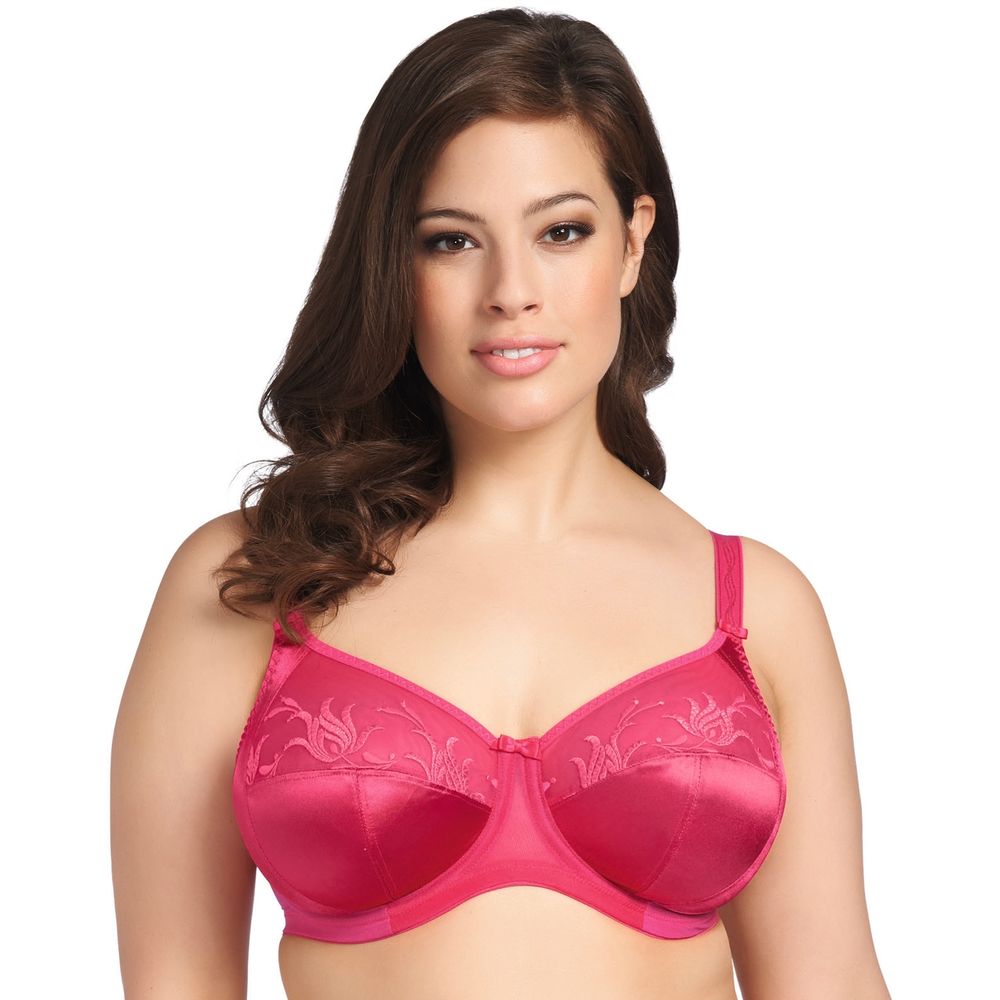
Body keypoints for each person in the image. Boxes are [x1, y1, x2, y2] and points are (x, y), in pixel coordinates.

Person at [111, 8, 891, 999]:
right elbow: (175, 979)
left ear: (632, 242)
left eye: (561, 231)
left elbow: (830, 979)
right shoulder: (253, 582)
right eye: (450, 241)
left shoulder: (755, 610)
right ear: (391, 265)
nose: (510, 290)